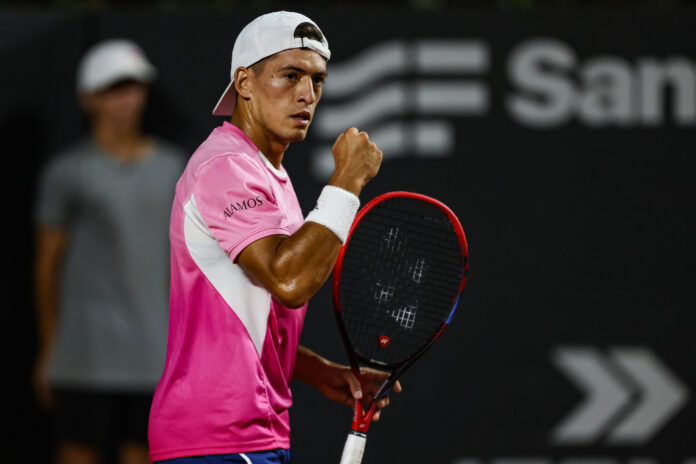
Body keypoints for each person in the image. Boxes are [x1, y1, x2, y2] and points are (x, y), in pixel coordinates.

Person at [147, 11, 400, 464]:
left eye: (318, 80)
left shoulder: (264, 172)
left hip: (250, 436)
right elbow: (289, 281)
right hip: (219, 439)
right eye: (290, 75)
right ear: (244, 82)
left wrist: (318, 371)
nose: (307, 94)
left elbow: (250, 318)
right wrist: (347, 181)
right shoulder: (226, 166)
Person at [34, 39, 187, 464]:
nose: (126, 99)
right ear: (89, 98)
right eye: (113, 88)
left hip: (154, 356)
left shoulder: (174, 167)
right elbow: (46, 265)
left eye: (133, 86)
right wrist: (50, 349)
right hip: (83, 356)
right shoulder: (66, 173)